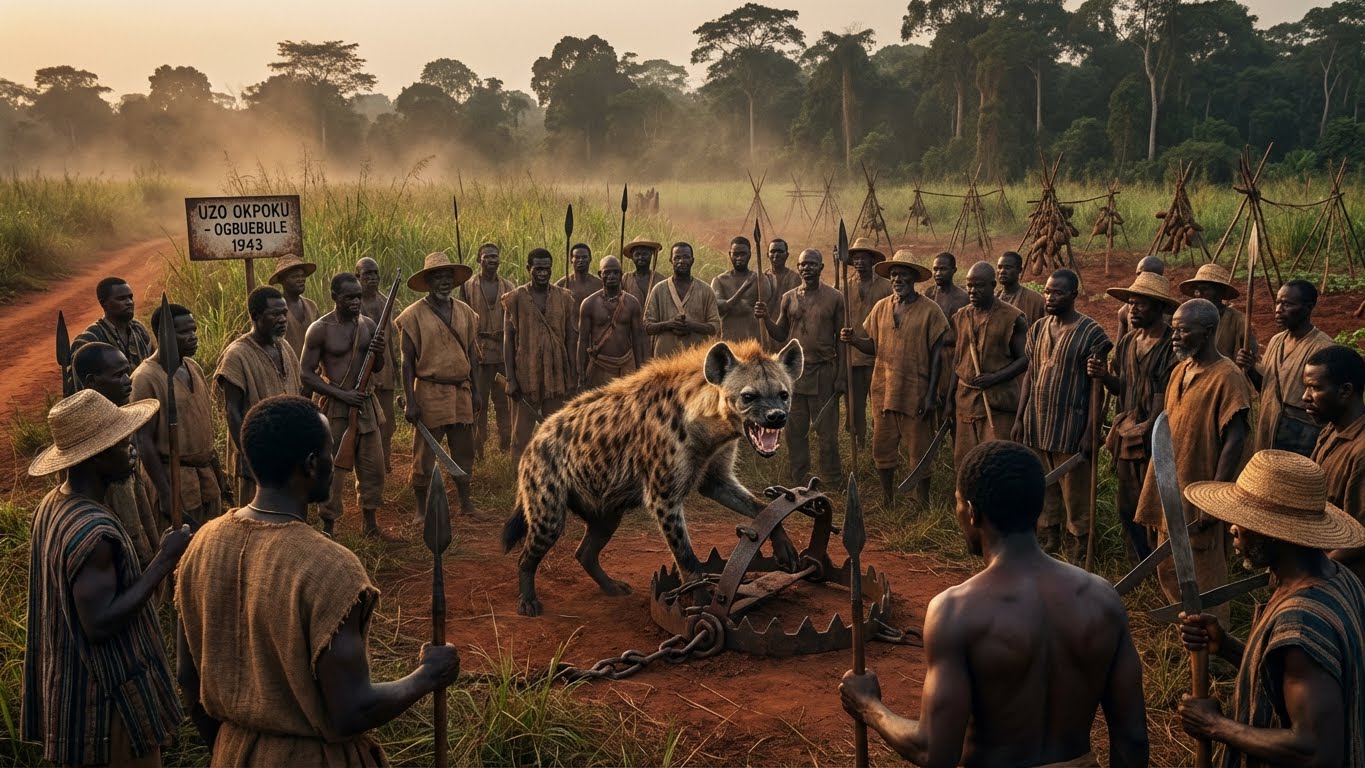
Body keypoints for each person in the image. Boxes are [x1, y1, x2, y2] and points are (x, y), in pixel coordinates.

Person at [176, 395, 461, 766]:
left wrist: (233, 748)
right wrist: (427, 676)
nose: (337, 458)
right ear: (311, 465)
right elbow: (351, 712)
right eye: (331, 450)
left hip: (232, 752)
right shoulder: (330, 569)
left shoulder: (202, 545)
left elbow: (187, 678)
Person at [840, 441, 1148, 768]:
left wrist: (869, 705)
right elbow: (1132, 739)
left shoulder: (957, 611)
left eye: (957, 504)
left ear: (972, 512)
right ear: (1038, 507)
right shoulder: (1102, 599)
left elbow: (933, 751)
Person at [23, 390, 190, 768]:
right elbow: (99, 623)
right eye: (122, 442)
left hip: (72, 691)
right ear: (98, 455)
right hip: (108, 706)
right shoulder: (93, 532)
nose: (132, 448)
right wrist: (163, 561)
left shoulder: (51, 507)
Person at [1176, 450, 1365, 768]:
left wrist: (1214, 725)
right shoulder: (1340, 578)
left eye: (1246, 520)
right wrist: (1227, 647)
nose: (1233, 528)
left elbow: (1315, 750)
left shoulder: (1303, 621)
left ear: (1276, 533)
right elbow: (1288, 675)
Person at [1135, 299, 1251, 625]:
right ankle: (1187, 630)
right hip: (1171, 486)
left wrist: (1213, 496)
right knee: (1168, 565)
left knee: (1203, 569)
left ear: (1208, 332)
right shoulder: (1179, 371)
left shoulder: (1228, 377)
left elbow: (1235, 438)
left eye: (1184, 330)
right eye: (1174, 329)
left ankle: (1214, 643)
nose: (1175, 336)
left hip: (1200, 489)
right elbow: (1168, 428)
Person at [1013, 269, 1110, 562]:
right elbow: (1030, 373)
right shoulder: (1039, 328)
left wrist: (1092, 429)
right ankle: (1049, 538)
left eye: (1057, 292)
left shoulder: (1092, 333)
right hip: (1037, 425)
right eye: (1046, 291)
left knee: (1076, 494)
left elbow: (1097, 386)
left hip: (1071, 429)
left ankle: (1079, 546)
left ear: (1073, 295)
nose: (1050, 297)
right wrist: (1020, 417)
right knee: (1044, 488)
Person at [840, 250, 948, 508]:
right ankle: (887, 499)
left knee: (919, 452)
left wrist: (932, 394)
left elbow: (937, 357)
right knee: (883, 450)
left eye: (904, 274)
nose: (898, 279)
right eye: (894, 274)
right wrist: (854, 340)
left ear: (913, 278)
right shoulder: (881, 308)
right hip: (884, 391)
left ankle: (923, 504)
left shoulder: (930, 311)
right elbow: (873, 346)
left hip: (915, 392)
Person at [1088, 272, 1179, 563]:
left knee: (1154, 508)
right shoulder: (1127, 342)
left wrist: (1148, 435)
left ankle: (1161, 566)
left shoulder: (1171, 347)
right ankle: (1137, 565)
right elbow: (1122, 387)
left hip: (1158, 441)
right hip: (1128, 440)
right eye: (1130, 303)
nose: (1132, 309)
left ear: (1159, 308)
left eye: (1140, 304)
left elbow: (1165, 400)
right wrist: (1104, 377)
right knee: (1127, 507)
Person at [301, 272, 391, 539]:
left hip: (366, 404)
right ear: (334, 297)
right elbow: (306, 373)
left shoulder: (369, 325)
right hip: (337, 408)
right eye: (349, 297)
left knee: (373, 466)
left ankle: (370, 524)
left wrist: (380, 350)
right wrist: (342, 396)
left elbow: (379, 367)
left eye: (358, 297)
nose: (355, 302)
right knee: (332, 470)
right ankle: (328, 527)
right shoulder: (320, 329)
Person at [397, 252, 481, 517]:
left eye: (447, 277)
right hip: (429, 390)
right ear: (429, 282)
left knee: (464, 450)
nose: (444, 282)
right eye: (437, 277)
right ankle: (421, 510)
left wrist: (477, 392)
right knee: (424, 455)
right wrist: (410, 400)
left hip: (461, 391)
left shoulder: (466, 313)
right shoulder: (412, 316)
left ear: (454, 282)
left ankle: (466, 504)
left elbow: (473, 356)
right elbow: (406, 362)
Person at [132, 303, 230, 529]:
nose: (193, 337)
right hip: (174, 478)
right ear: (163, 334)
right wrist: (166, 493)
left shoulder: (192, 367)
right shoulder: (145, 378)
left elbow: (202, 426)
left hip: (204, 478)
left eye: (193, 330)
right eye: (184, 332)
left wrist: (217, 470)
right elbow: (143, 440)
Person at [756, 248, 846, 488]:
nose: (807, 268)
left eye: (812, 264)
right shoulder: (788, 298)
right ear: (798, 268)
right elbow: (781, 333)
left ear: (821, 267)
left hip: (825, 371)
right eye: (803, 265)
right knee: (795, 431)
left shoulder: (835, 298)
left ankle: (832, 480)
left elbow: (841, 340)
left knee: (827, 433)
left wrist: (841, 376)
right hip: (794, 375)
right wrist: (765, 318)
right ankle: (800, 478)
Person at [73, 342, 163, 571]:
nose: (128, 380)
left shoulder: (119, 415)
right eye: (118, 375)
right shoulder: (84, 431)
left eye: (127, 371)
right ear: (92, 382)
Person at [214, 285, 303, 506]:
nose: (283, 319)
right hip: (257, 453)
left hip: (287, 448)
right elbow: (231, 410)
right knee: (257, 516)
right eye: (275, 314)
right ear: (255, 317)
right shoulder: (237, 355)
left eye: (284, 313)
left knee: (288, 512)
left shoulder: (284, 346)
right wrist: (246, 454)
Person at [1238, 279, 1335, 456]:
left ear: (1308, 307)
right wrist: (1251, 368)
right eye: (1278, 302)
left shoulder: (1323, 348)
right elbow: (1267, 388)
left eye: (1287, 304)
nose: (1278, 309)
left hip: (1300, 438)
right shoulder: (1276, 341)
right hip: (1267, 431)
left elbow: (1326, 404)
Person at [948, 262, 1027, 471]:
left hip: (998, 403)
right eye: (969, 286)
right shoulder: (961, 316)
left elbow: (1025, 359)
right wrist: (950, 400)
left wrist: (995, 377)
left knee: (996, 462)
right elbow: (957, 361)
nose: (973, 291)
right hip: (965, 401)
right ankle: (967, 503)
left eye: (979, 286)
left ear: (993, 285)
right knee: (966, 462)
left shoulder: (1013, 318)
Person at [504, 248, 576, 467]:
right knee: (521, 433)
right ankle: (519, 473)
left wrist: (572, 374)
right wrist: (510, 378)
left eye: (546, 268)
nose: (543, 273)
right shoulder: (515, 298)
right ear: (529, 269)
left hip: (556, 373)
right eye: (538, 269)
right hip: (526, 373)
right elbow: (508, 339)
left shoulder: (564, 298)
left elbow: (571, 339)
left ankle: (553, 470)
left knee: (555, 429)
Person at [1304, 344, 1365, 581]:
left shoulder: (1361, 451)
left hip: (1349, 581)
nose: (1305, 396)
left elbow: (1361, 536)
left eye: (1315, 388)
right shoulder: (1330, 430)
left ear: (1345, 391)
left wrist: (1312, 570)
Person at [460, 243, 516, 459]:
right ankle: (478, 445)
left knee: (503, 402)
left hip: (502, 353)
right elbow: (462, 320)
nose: (491, 260)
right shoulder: (467, 287)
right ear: (478, 260)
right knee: (479, 401)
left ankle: (505, 441)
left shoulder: (509, 286)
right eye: (487, 257)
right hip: (479, 352)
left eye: (495, 257)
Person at [67, 276, 154, 392]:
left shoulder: (139, 330)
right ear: (104, 304)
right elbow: (79, 388)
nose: (129, 302)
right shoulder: (89, 339)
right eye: (121, 298)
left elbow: (152, 367)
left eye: (130, 297)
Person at [845, 238, 892, 449]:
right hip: (852, 357)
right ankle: (859, 444)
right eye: (856, 258)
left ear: (872, 260)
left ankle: (880, 444)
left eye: (864, 257)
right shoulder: (845, 287)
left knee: (879, 405)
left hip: (878, 356)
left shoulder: (886, 286)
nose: (860, 262)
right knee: (855, 407)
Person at [356, 256, 400, 470]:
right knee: (365, 421)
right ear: (358, 277)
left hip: (386, 368)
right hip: (363, 371)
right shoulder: (353, 304)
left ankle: (385, 460)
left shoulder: (385, 302)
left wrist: (395, 368)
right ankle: (366, 463)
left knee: (387, 421)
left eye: (375, 273)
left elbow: (390, 338)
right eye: (367, 274)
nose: (373, 278)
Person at [578, 255, 648, 389]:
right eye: (607, 272)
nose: (612, 276)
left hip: (626, 365)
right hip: (600, 366)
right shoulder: (589, 304)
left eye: (616, 272)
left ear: (621, 274)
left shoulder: (632, 303)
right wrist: (581, 373)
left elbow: (638, 340)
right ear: (600, 274)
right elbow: (582, 340)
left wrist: (640, 371)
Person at [644, 242, 720, 359]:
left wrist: (692, 325)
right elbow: (648, 327)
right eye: (677, 258)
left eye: (686, 257)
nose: (681, 261)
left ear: (692, 260)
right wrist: (669, 324)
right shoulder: (659, 289)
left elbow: (715, 327)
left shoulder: (705, 290)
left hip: (696, 359)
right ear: (671, 260)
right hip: (664, 359)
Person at [925, 251, 970, 444]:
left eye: (943, 269)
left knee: (951, 402)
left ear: (954, 271)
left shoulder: (963, 299)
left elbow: (963, 338)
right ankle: (933, 447)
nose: (938, 273)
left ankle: (956, 444)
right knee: (930, 400)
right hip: (930, 354)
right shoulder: (928, 294)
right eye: (935, 269)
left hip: (953, 356)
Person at [1178, 262, 1256, 361]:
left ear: (1220, 292)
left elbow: (1254, 359)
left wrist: (1246, 360)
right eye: (1197, 290)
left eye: (1205, 289)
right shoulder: (1189, 320)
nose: (1199, 294)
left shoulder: (1239, 321)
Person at [711, 235, 771, 343]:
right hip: (728, 339)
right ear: (730, 254)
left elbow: (766, 309)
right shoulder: (719, 281)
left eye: (743, 254)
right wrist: (743, 288)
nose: (739, 258)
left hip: (754, 338)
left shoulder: (760, 279)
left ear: (749, 255)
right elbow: (720, 308)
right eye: (736, 254)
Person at [269, 254, 319, 364]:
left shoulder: (311, 306)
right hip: (287, 370)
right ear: (282, 280)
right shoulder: (275, 310)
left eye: (302, 276)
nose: (301, 280)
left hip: (311, 371)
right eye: (295, 277)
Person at [1116, 256, 1167, 339]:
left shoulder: (1172, 315)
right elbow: (1119, 348)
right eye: (1139, 274)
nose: (1143, 278)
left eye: (1149, 275)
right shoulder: (1125, 311)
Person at [995, 250, 1045, 327]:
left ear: (1019, 270)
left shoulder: (1036, 300)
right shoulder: (995, 298)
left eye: (1008, 268)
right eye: (999, 267)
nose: (1002, 271)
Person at [555, 242, 602, 322]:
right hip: (569, 330)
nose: (581, 260)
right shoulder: (561, 286)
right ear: (571, 260)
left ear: (590, 259)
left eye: (584, 257)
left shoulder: (599, 284)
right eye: (577, 257)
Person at [622, 237, 666, 310]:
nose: (641, 257)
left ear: (651, 255)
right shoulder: (626, 278)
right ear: (632, 257)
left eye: (645, 254)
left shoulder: (661, 279)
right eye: (637, 254)